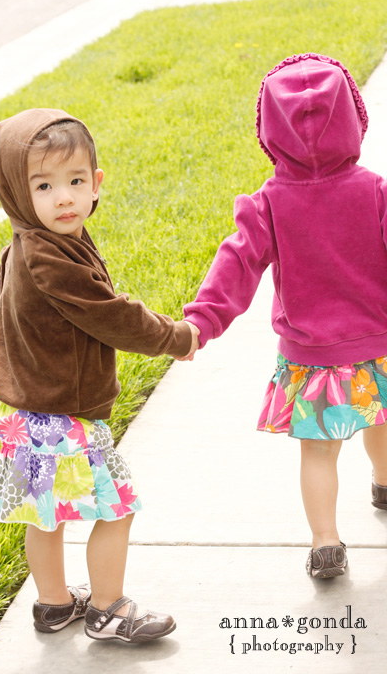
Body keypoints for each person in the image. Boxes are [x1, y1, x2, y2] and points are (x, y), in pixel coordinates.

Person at [0, 108, 198, 642]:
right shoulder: (50, 258)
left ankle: (53, 605)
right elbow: (113, 315)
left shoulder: (25, 244)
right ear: (18, 194)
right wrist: (176, 337)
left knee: (44, 515)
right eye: (43, 186)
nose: (64, 198)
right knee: (116, 508)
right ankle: (109, 609)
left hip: (26, 413)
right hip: (59, 417)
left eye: (74, 181)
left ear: (96, 183)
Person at [183, 52, 387, 579]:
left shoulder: (269, 203)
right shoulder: (375, 193)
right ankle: (386, 484)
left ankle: (326, 543)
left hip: (312, 356)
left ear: (269, 133)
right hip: (378, 346)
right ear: (354, 120)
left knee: (318, 453)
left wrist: (202, 321)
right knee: (382, 421)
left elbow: (236, 263)